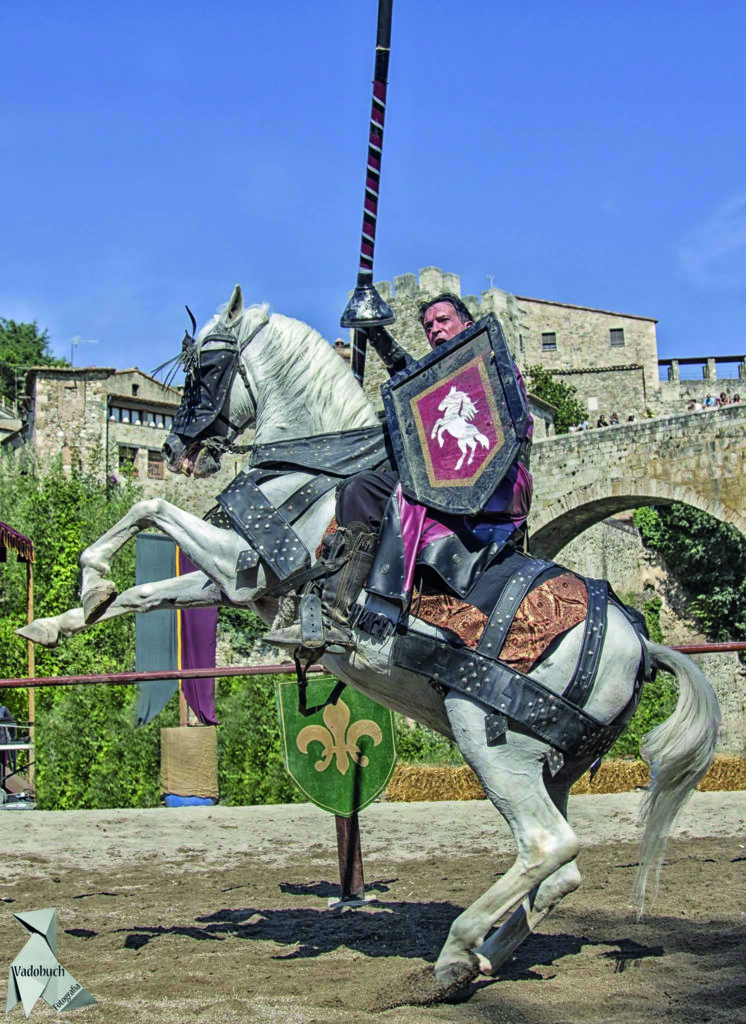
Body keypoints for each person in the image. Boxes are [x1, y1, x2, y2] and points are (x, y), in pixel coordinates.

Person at [266, 294, 533, 654]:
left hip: (497, 482)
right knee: (357, 488)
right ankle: (342, 608)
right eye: (429, 326)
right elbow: (407, 375)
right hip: (442, 479)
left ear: (468, 326)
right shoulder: (439, 384)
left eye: (443, 320)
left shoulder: (494, 365)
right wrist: (376, 332)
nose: (435, 329)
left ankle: (360, 610)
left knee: (382, 494)